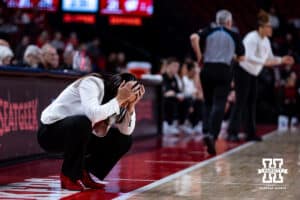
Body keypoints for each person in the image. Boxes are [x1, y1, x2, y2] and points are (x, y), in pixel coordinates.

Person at [37, 73, 145, 191]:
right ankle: (68, 175)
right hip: (51, 133)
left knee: (124, 140)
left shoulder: (118, 101)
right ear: (119, 85)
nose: (126, 99)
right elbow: (93, 115)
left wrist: (131, 106)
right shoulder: (92, 83)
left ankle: (83, 171)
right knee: (83, 122)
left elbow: (126, 131)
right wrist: (119, 99)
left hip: (79, 135)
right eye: (128, 92)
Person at [227, 10, 295, 142]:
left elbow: (270, 58)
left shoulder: (266, 41)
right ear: (261, 27)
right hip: (242, 71)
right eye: (269, 26)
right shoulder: (252, 37)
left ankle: (250, 133)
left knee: (252, 103)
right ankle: (232, 132)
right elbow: (247, 57)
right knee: (240, 102)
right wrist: (264, 62)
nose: (271, 29)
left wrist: (282, 59)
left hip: (253, 73)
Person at [190, 10, 245, 154]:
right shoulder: (234, 35)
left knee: (207, 102)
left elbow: (193, 38)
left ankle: (205, 131)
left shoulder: (208, 31)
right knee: (219, 103)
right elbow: (242, 57)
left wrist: (199, 57)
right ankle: (212, 135)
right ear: (229, 22)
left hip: (207, 69)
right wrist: (232, 55)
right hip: (224, 70)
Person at [162, 57, 183, 135]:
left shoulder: (175, 79)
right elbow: (163, 93)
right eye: (174, 66)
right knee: (169, 100)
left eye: (178, 67)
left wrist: (179, 95)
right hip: (163, 100)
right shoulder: (162, 77)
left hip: (173, 99)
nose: (176, 68)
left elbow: (177, 91)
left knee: (186, 100)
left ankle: (182, 124)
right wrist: (167, 94)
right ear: (168, 66)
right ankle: (166, 124)